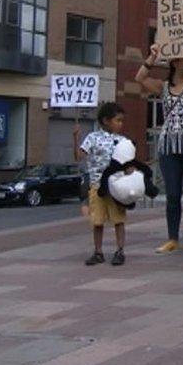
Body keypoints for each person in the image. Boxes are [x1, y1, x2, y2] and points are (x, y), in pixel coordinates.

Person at [135, 44, 183, 254]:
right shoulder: (162, 86)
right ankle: (172, 238)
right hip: (169, 144)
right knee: (173, 194)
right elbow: (139, 78)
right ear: (175, 62)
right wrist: (152, 57)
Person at [74, 102, 127, 266]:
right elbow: (78, 156)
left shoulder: (122, 140)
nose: (120, 124)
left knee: (118, 219)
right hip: (97, 185)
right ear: (105, 120)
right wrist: (75, 138)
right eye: (117, 120)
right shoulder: (92, 138)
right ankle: (98, 251)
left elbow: (128, 162)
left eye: (121, 120)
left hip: (116, 185)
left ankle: (120, 250)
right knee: (97, 220)